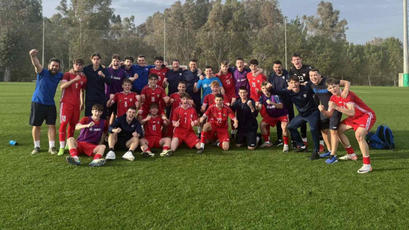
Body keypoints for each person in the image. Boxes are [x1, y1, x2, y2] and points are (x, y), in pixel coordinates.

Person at [320, 78, 376, 173]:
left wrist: (336, 107)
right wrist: (323, 111)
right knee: (338, 130)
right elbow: (329, 114)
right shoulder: (332, 98)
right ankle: (351, 154)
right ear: (328, 90)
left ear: (339, 86)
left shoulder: (347, 95)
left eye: (334, 86)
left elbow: (351, 112)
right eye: (330, 88)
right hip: (354, 118)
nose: (333, 89)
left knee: (359, 135)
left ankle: (367, 165)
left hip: (365, 115)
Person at [270, 76, 321, 160]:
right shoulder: (288, 92)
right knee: (291, 126)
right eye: (291, 83)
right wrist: (270, 88)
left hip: (312, 113)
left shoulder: (306, 88)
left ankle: (316, 151)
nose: (294, 84)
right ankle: (301, 146)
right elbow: (276, 92)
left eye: (295, 82)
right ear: (288, 84)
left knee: (313, 129)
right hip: (302, 114)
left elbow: (316, 89)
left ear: (299, 82)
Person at [309, 69, 350, 164]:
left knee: (333, 132)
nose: (313, 77)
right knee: (323, 131)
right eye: (311, 76)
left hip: (335, 109)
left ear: (320, 75)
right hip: (324, 110)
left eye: (315, 75)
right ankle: (329, 150)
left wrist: (345, 90)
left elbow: (347, 82)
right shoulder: (312, 85)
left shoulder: (328, 81)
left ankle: (334, 156)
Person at [28, 49, 63, 155]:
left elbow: (71, 74)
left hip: (50, 104)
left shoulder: (59, 75)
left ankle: (52, 147)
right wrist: (32, 56)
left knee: (52, 125)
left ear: (59, 67)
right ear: (49, 66)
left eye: (56, 66)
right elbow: (36, 64)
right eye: (53, 65)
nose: (54, 67)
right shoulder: (42, 72)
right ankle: (37, 146)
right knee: (36, 125)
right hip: (38, 103)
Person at [58, 59, 87, 156]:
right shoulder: (67, 74)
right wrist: (74, 80)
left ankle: (68, 143)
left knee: (73, 125)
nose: (78, 66)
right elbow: (62, 86)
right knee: (63, 124)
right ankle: (61, 147)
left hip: (76, 104)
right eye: (76, 64)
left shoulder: (83, 77)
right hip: (66, 103)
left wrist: (82, 102)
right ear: (73, 65)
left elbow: (82, 91)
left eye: (80, 65)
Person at [257, 82, 290, 152]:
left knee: (284, 127)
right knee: (262, 124)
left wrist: (272, 103)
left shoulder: (275, 96)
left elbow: (281, 106)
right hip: (272, 116)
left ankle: (286, 145)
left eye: (266, 88)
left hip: (282, 114)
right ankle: (267, 142)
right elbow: (259, 107)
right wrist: (257, 106)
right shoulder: (262, 97)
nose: (265, 90)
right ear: (261, 89)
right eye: (263, 88)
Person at [289, 54, 313, 144]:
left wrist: (308, 82)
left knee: (315, 118)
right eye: (294, 60)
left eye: (298, 59)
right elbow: (291, 83)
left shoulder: (308, 68)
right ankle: (304, 139)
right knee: (302, 115)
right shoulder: (291, 70)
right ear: (292, 61)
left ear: (301, 59)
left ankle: (321, 140)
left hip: (311, 95)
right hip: (299, 96)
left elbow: (314, 79)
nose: (296, 61)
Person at [268, 60, 292, 147]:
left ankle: (292, 139)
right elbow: (269, 87)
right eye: (275, 67)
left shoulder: (287, 74)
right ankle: (279, 139)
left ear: (281, 67)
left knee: (290, 120)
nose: (277, 69)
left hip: (287, 101)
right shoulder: (272, 76)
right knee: (279, 120)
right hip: (277, 101)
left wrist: (277, 91)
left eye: (279, 67)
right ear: (273, 68)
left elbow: (289, 88)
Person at [83, 53, 110, 118]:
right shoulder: (86, 69)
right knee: (88, 116)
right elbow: (77, 71)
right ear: (91, 60)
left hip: (100, 97)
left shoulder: (104, 69)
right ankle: (88, 128)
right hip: (90, 97)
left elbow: (109, 82)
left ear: (100, 60)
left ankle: (101, 128)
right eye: (94, 59)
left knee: (101, 116)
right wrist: (72, 70)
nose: (96, 61)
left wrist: (103, 75)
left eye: (98, 59)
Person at [107, 54, 128, 123]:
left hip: (119, 96)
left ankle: (114, 130)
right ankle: (106, 131)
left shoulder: (123, 72)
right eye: (114, 61)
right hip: (108, 95)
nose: (116, 63)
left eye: (117, 61)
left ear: (120, 62)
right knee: (107, 115)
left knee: (117, 114)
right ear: (112, 62)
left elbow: (127, 82)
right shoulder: (107, 70)